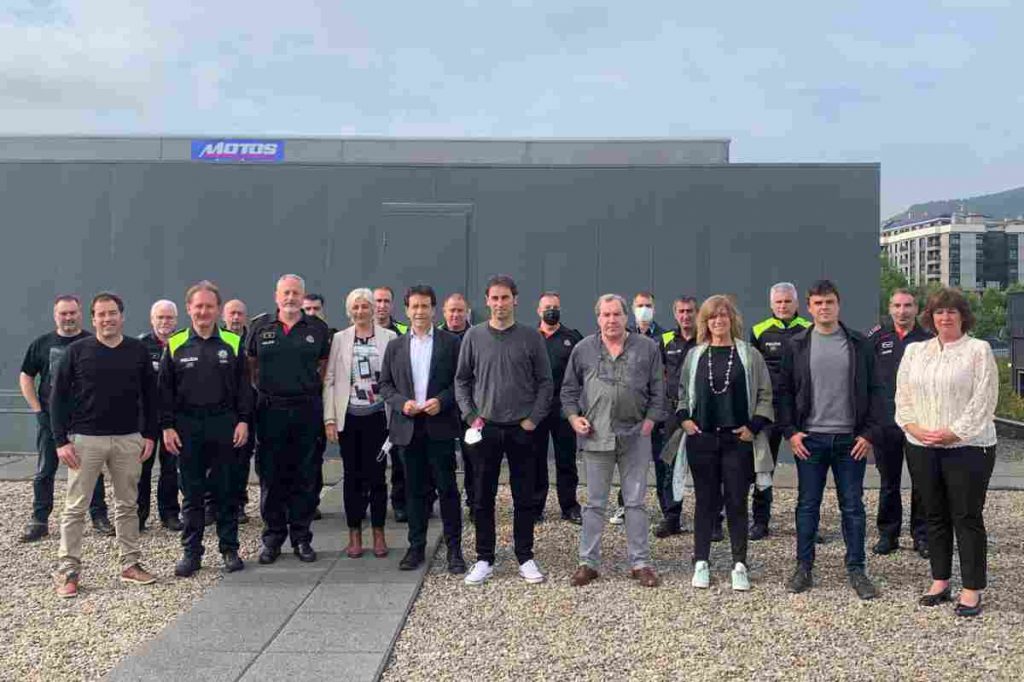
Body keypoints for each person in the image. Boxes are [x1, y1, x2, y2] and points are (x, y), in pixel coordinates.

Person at [777, 280, 882, 600]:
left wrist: (869, 434)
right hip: (810, 441)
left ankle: (857, 569)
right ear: (809, 307)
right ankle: (803, 567)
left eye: (830, 302)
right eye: (818, 303)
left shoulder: (859, 343)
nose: (824, 308)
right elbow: (783, 393)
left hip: (851, 441)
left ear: (839, 305)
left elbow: (877, 391)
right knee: (807, 505)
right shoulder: (796, 344)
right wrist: (791, 432)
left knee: (853, 507)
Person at [897, 287, 998, 617]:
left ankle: (972, 588)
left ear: (963, 316)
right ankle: (940, 580)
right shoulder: (915, 351)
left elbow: (984, 400)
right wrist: (914, 428)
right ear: (931, 317)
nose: (945, 317)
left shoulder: (978, 350)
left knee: (966, 516)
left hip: (968, 447)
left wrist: (953, 432)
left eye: (952, 311)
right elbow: (903, 396)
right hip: (922, 446)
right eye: (939, 311)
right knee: (934, 515)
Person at [50, 292, 159, 598]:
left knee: (127, 505)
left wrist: (149, 434)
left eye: (112, 313)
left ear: (121, 316)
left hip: (128, 439)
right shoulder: (77, 351)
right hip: (86, 440)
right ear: (93, 318)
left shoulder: (137, 351)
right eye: (101, 314)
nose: (107, 319)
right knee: (76, 507)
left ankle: (130, 564)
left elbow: (151, 396)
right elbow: (58, 397)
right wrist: (61, 441)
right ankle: (68, 570)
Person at [455, 274, 553, 585]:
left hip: (522, 429)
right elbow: (462, 380)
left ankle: (525, 556)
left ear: (515, 300)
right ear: (487, 301)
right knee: (482, 496)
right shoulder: (473, 336)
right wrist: (471, 415)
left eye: (505, 298)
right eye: (495, 298)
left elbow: (545, 382)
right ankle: (484, 558)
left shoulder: (531, 337)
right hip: (485, 428)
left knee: (524, 496)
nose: (500, 303)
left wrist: (533, 419)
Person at [562, 294, 664, 588]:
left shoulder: (647, 348)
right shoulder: (583, 349)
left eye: (616, 314)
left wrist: (650, 421)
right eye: (605, 315)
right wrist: (574, 418)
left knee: (635, 502)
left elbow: (659, 389)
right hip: (596, 437)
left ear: (625, 316)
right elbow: (568, 391)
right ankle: (588, 563)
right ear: (598, 318)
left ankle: (640, 563)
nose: (611, 320)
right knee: (595, 503)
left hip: (635, 437)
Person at [674, 295, 773, 591]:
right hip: (702, 439)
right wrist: (684, 420)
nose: (718, 321)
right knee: (705, 502)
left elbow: (765, 394)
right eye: (712, 317)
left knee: (736, 502)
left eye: (723, 315)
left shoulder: (749, 355)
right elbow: (681, 393)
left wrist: (753, 427)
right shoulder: (695, 355)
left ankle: (739, 564)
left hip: (737, 441)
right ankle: (701, 561)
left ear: (732, 319)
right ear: (704, 322)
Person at [159, 282, 252, 576]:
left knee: (226, 491)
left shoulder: (232, 342)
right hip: (187, 427)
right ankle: (192, 553)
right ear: (189, 309)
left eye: (209, 306)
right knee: (192, 495)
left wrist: (243, 420)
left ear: (217, 309)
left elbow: (244, 387)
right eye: (198, 306)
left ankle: (229, 549)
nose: (203, 311)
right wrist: (167, 427)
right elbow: (164, 391)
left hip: (224, 424)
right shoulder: (175, 343)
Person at [380, 285, 466, 573]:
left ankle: (454, 550)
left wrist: (442, 401)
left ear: (433, 309)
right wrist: (401, 403)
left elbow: (461, 382)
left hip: (439, 427)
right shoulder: (395, 346)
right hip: (408, 429)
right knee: (414, 492)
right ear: (406, 310)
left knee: (448, 490)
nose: (419, 311)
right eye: (414, 306)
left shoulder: (450, 343)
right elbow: (385, 385)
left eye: (425, 306)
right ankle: (416, 547)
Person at [247, 274, 331, 565]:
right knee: (271, 477)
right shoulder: (260, 327)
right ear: (276, 296)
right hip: (270, 410)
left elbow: (324, 368)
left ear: (302, 296)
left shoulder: (317, 329)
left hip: (306, 410)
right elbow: (250, 367)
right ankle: (272, 539)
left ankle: (301, 538)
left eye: (296, 293)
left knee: (305, 476)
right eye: (286, 293)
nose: (291, 298)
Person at [18, 295, 112, 542]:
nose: (68, 317)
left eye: (72, 313)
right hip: (51, 420)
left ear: (80, 314)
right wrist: (37, 409)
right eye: (63, 313)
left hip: (86, 421)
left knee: (93, 470)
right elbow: (26, 376)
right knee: (45, 471)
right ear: (55, 315)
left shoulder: (94, 342)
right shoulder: (41, 344)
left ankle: (99, 517)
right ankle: (39, 520)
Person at [324, 288, 398, 558]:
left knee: (377, 477)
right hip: (350, 418)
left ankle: (378, 533)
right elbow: (330, 379)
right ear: (349, 311)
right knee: (352, 478)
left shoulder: (389, 338)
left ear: (373, 309)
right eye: (355, 307)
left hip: (379, 417)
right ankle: (354, 534)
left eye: (365, 306)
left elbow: (396, 378)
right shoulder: (340, 339)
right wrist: (330, 418)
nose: (360, 311)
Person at [867, 289, 932, 557]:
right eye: (897, 305)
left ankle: (922, 536)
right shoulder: (877, 338)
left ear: (917, 309)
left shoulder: (928, 340)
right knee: (889, 482)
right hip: (886, 422)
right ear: (890, 308)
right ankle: (888, 535)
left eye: (907, 306)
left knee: (922, 481)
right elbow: (865, 378)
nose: (902, 311)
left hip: (919, 422)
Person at [748, 283, 812, 540]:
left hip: (801, 411)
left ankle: (808, 524)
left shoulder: (809, 329)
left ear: (796, 303)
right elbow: (752, 372)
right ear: (771, 304)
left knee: (809, 469)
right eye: (778, 302)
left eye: (787, 301)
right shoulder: (758, 330)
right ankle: (760, 522)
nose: (783, 306)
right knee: (764, 468)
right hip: (770, 410)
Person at [609, 290, 667, 525]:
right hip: (631, 410)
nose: (644, 310)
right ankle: (625, 506)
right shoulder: (624, 335)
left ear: (654, 308)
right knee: (630, 462)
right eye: (640, 305)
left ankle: (668, 512)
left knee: (662, 462)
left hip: (656, 410)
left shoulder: (665, 337)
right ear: (632, 309)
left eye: (648, 305)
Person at [534, 292, 583, 524]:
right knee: (536, 459)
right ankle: (535, 507)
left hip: (564, 408)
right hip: (537, 408)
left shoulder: (572, 338)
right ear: (538, 311)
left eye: (555, 307)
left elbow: (583, 372)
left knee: (566, 460)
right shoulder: (531, 337)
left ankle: (569, 506)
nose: (551, 311)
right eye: (547, 307)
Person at [653, 295, 698, 538]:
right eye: (681, 311)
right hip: (673, 412)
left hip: (701, 411)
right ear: (675, 314)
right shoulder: (666, 340)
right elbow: (658, 374)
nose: (685, 316)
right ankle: (671, 517)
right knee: (670, 465)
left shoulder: (706, 337)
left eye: (690, 311)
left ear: (697, 313)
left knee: (706, 466)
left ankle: (712, 520)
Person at [138, 300, 184, 532]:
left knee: (171, 468)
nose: (165, 322)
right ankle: (138, 515)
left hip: (175, 418)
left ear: (176, 320)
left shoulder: (184, 344)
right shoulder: (139, 346)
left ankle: (170, 514)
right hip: (145, 418)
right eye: (160, 317)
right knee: (141, 468)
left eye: (169, 318)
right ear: (152, 319)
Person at [374, 285, 409, 521]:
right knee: (372, 460)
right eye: (377, 301)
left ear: (392, 305)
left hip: (396, 404)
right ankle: (371, 504)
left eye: (386, 301)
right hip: (370, 407)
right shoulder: (360, 331)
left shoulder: (402, 332)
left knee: (399, 459)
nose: (381, 305)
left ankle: (400, 503)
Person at [303, 292, 337, 521]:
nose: (312, 313)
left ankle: (312, 502)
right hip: (300, 403)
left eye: (316, 309)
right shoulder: (294, 336)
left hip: (322, 404)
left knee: (315, 456)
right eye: (308, 309)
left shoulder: (332, 337)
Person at [440, 292, 475, 519]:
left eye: (460, 310)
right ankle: (444, 504)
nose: (455, 314)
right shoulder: (435, 336)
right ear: (444, 313)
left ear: (467, 313)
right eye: (451, 310)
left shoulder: (476, 336)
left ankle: (474, 503)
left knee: (473, 459)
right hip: (443, 408)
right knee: (442, 461)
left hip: (470, 410)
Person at [222, 298, 254, 523]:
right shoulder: (218, 340)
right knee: (219, 459)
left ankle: (239, 503)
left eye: (239, 314)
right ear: (224, 316)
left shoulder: (252, 339)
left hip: (249, 408)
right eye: (231, 313)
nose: (235, 318)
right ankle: (213, 504)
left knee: (243, 458)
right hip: (223, 409)